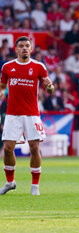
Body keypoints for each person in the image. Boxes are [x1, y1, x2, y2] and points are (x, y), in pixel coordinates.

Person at [0, 36, 54, 195]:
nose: (24, 48)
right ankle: (10, 182)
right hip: (12, 114)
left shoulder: (38, 66)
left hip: (31, 114)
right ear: (16, 49)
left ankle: (35, 186)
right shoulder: (7, 67)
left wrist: (50, 88)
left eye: (27, 46)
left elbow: (48, 85)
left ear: (31, 49)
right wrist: (1, 93)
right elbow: (2, 87)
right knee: (8, 148)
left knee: (34, 147)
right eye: (21, 46)